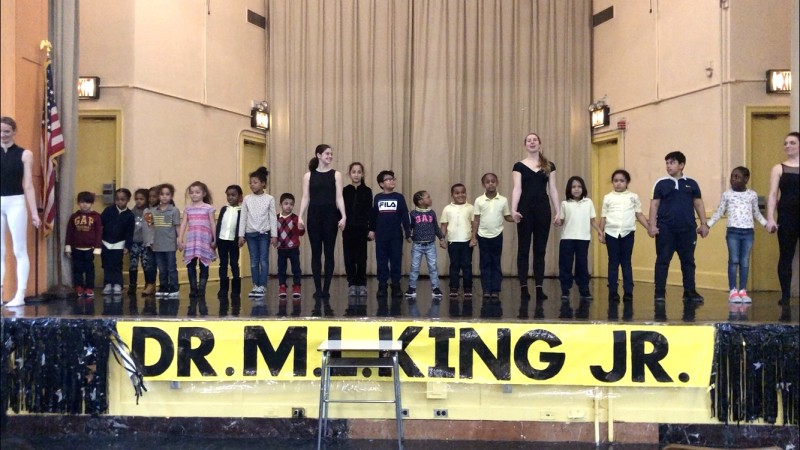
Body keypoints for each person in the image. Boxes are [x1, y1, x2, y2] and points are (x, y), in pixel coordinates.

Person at [648, 151, 709, 305]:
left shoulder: (692, 183)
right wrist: (652, 226)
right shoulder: (660, 183)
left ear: (681, 165)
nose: (668, 166)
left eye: (672, 162)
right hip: (666, 230)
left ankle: (689, 291)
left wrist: (704, 224)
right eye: (667, 163)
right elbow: (654, 205)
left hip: (687, 230)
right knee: (662, 261)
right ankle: (659, 292)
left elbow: (698, 204)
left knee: (688, 261)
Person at [511, 132, 561, 303]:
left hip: (542, 210)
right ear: (525, 145)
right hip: (525, 210)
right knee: (523, 249)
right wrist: (513, 209)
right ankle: (524, 287)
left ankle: (539, 287)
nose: (532, 142)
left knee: (540, 250)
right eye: (529, 140)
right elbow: (517, 188)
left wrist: (558, 211)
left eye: (535, 140)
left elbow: (553, 189)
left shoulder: (549, 166)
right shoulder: (518, 166)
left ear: (540, 143)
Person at [707, 167, 768, 303]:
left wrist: (766, 224)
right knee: (734, 261)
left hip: (748, 232)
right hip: (733, 232)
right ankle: (733, 290)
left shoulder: (752, 195)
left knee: (745, 262)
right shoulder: (727, 195)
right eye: (732, 176)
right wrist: (708, 225)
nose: (733, 179)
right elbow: (719, 212)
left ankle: (743, 290)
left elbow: (756, 213)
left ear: (746, 179)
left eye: (737, 177)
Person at [297, 145, 347, 309]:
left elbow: (339, 196)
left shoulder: (336, 175)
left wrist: (343, 216)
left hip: (330, 216)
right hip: (314, 217)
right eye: (327, 153)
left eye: (331, 154)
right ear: (318, 155)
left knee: (329, 252)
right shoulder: (308, 176)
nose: (330, 156)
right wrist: (300, 216)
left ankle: (326, 289)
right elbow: (306, 197)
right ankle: (318, 289)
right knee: (316, 252)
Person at [1, 116, 42, 307]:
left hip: (16, 202)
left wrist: (34, 213)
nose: (3, 135)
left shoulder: (25, 154)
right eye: (0, 131)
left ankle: (20, 294)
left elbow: (28, 186)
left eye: (7, 131)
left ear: (14, 132)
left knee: (19, 249)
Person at [599, 170, 649, 319]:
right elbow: (604, 216)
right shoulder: (608, 197)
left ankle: (628, 292)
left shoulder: (633, 197)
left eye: (621, 180)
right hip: (611, 233)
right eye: (615, 180)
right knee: (613, 262)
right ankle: (613, 292)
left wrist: (649, 227)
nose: (618, 183)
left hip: (627, 233)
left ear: (627, 182)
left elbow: (639, 214)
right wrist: (600, 232)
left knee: (626, 262)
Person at [369, 170, 411, 315]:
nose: (392, 181)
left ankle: (396, 285)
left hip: (395, 236)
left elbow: (405, 215)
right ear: (381, 184)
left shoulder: (399, 197)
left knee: (395, 261)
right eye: (388, 179)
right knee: (381, 261)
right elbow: (373, 216)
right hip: (381, 236)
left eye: (393, 179)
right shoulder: (377, 198)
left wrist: (408, 231)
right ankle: (382, 286)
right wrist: (371, 230)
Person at [472, 173, 514, 318]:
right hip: (483, 235)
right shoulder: (479, 200)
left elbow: (507, 216)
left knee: (496, 262)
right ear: (483, 184)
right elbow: (476, 219)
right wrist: (473, 236)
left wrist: (515, 217)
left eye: (493, 181)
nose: (490, 184)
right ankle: (486, 290)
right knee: (485, 263)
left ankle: (495, 290)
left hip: (497, 235)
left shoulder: (503, 200)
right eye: (487, 182)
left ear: (497, 183)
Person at [766, 131, 800, 305]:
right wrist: (770, 218)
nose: (788, 146)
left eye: (792, 143)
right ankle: (785, 295)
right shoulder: (779, 168)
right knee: (786, 255)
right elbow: (772, 194)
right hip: (787, 216)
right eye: (786, 143)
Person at [557, 176, 602, 303]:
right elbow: (561, 221)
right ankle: (565, 290)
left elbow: (592, 221)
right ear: (569, 189)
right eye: (573, 187)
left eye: (579, 186)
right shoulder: (565, 204)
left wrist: (600, 232)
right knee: (565, 265)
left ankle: (584, 290)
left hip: (583, 238)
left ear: (583, 188)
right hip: (567, 238)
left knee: (582, 265)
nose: (576, 189)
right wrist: (557, 221)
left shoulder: (588, 202)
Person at [238, 167, 278, 298]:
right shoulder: (247, 199)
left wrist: (274, 235)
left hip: (264, 234)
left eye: (255, 182)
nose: (252, 185)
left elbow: (272, 217)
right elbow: (243, 217)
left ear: (263, 184)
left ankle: (262, 285)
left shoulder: (269, 199)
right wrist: (241, 235)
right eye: (250, 182)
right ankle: (255, 284)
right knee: (254, 260)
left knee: (263, 260)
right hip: (250, 234)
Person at [440, 183, 475, 317]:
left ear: (466, 193)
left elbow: (474, 224)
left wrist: (473, 238)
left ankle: (467, 288)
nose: (460, 195)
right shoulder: (447, 208)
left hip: (466, 241)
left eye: (463, 192)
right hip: (453, 241)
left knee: (467, 265)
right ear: (452, 195)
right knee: (454, 265)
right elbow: (444, 225)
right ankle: (453, 288)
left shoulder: (470, 208)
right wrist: (442, 239)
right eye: (457, 193)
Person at [179, 181, 216, 299]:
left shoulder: (208, 208)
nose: (194, 195)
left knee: (204, 265)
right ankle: (193, 288)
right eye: (192, 192)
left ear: (203, 193)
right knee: (190, 264)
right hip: (192, 240)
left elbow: (212, 224)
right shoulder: (188, 209)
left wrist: (215, 239)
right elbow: (183, 224)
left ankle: (202, 289)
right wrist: (180, 239)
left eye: (197, 192)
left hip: (204, 239)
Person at [406, 190, 445, 300]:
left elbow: (436, 227)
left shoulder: (432, 213)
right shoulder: (413, 214)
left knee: (433, 267)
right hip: (417, 245)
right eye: (428, 197)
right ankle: (411, 288)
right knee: (414, 267)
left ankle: (435, 288)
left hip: (430, 245)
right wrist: (408, 236)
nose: (430, 199)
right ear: (420, 201)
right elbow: (409, 227)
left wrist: (441, 238)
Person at [342, 162, 373, 298]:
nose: (356, 174)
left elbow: (370, 211)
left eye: (359, 172)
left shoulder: (367, 191)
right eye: (353, 172)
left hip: (362, 228)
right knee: (349, 257)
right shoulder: (345, 190)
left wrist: (371, 229)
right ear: (349, 174)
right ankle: (352, 283)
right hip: (348, 228)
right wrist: (340, 221)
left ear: (363, 174)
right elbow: (340, 209)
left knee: (361, 257)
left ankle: (361, 283)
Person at [65, 192, 102, 298]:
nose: (84, 204)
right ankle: (78, 286)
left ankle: (89, 288)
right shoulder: (74, 217)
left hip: (90, 248)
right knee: (77, 269)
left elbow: (99, 233)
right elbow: (69, 232)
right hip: (76, 248)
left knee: (89, 269)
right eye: (81, 202)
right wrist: (68, 247)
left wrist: (97, 247)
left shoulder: (96, 217)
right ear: (78, 203)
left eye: (87, 202)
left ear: (92, 203)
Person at [100, 188, 135, 295]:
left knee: (117, 265)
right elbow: (100, 225)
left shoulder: (130, 215)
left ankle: (118, 284)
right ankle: (107, 284)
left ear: (128, 200)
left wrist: (127, 246)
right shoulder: (108, 210)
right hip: (106, 242)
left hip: (119, 244)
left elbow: (130, 232)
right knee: (106, 265)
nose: (120, 201)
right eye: (118, 199)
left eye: (123, 199)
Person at [149, 183, 182, 298]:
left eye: (167, 194)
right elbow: (151, 227)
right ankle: (163, 286)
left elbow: (178, 227)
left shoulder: (174, 210)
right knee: (161, 268)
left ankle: (174, 287)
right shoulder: (153, 211)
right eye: (162, 194)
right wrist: (150, 241)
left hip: (170, 244)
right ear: (158, 196)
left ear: (171, 196)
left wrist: (180, 240)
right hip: (157, 245)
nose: (164, 196)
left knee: (171, 267)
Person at [276, 192, 305, 317]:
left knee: (296, 268)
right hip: (281, 248)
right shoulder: (276, 218)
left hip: (293, 247)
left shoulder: (296, 218)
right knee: (281, 268)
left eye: (291, 204)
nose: (288, 206)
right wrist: (274, 239)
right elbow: (274, 231)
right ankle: (282, 286)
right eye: (286, 204)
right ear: (281, 205)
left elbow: (301, 233)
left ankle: (296, 286)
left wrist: (301, 227)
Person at [216, 184, 242, 301]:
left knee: (234, 264)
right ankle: (223, 289)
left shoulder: (241, 211)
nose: (230, 197)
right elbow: (219, 225)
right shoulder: (223, 209)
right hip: (222, 241)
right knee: (223, 264)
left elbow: (242, 226)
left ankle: (236, 290)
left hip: (233, 242)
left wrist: (241, 238)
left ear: (239, 197)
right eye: (228, 195)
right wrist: (216, 239)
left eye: (233, 195)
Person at [129, 188, 157, 295]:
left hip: (145, 243)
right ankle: (132, 285)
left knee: (146, 264)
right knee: (133, 264)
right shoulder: (132, 213)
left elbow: (151, 226)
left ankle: (149, 284)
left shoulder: (148, 212)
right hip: (134, 242)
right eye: (136, 199)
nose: (138, 201)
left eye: (141, 199)